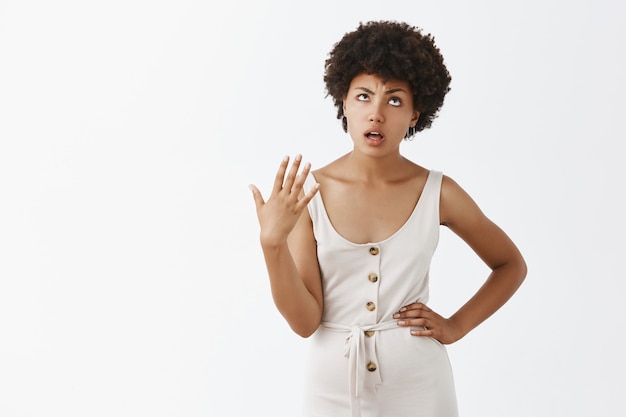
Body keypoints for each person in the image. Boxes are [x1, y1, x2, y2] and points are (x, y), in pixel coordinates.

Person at [249, 20, 527, 417]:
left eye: (394, 100)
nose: (376, 113)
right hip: (331, 387)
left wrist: (456, 326)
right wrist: (271, 244)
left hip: (420, 385)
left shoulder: (439, 192)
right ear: (343, 102)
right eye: (363, 96)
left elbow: (510, 265)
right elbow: (305, 321)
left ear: (416, 114)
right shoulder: (309, 194)